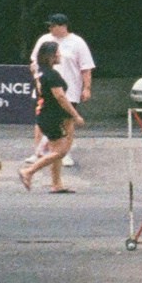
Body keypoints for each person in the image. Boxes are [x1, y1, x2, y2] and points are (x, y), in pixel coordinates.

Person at [17, 35, 80, 193]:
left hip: (46, 114)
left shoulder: (41, 73)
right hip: (51, 116)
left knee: (55, 151)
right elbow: (60, 97)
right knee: (61, 151)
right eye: (57, 53)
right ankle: (29, 171)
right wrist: (75, 115)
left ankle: (56, 183)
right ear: (50, 56)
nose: (60, 56)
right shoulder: (52, 75)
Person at [38, 11, 95, 173]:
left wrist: (86, 88)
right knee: (48, 119)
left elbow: (86, 67)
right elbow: (35, 62)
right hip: (49, 88)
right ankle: (47, 149)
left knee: (67, 122)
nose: (50, 28)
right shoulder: (45, 40)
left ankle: (64, 152)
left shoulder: (77, 42)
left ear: (62, 26)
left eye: (53, 26)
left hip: (70, 88)